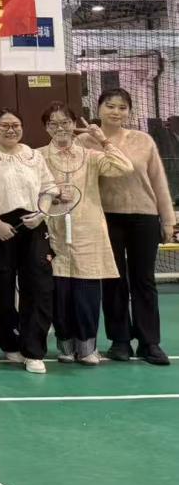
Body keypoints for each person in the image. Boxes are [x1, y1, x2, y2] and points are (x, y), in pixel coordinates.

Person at [79, 88, 175, 365]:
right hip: (105, 218)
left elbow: (158, 181)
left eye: (122, 107)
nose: (116, 112)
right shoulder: (85, 141)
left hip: (144, 217)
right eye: (110, 106)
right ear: (98, 109)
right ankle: (119, 340)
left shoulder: (143, 140)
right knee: (113, 281)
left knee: (144, 280)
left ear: (129, 112)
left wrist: (168, 219)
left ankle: (149, 342)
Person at [40, 102, 132, 365]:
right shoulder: (37, 156)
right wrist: (52, 196)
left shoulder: (91, 156)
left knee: (87, 294)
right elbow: (32, 190)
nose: (60, 128)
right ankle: (65, 345)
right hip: (54, 231)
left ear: (73, 125)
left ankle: (87, 346)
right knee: (60, 293)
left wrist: (102, 139)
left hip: (88, 231)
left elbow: (124, 167)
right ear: (46, 127)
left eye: (65, 122)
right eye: (53, 123)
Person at [0, 108, 55, 374]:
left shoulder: (34, 156)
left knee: (38, 287)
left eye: (15, 124)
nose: (10, 129)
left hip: (33, 225)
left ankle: (34, 350)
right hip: (0, 228)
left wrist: (41, 214)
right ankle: (9, 342)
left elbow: (48, 190)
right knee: (1, 289)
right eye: (4, 125)